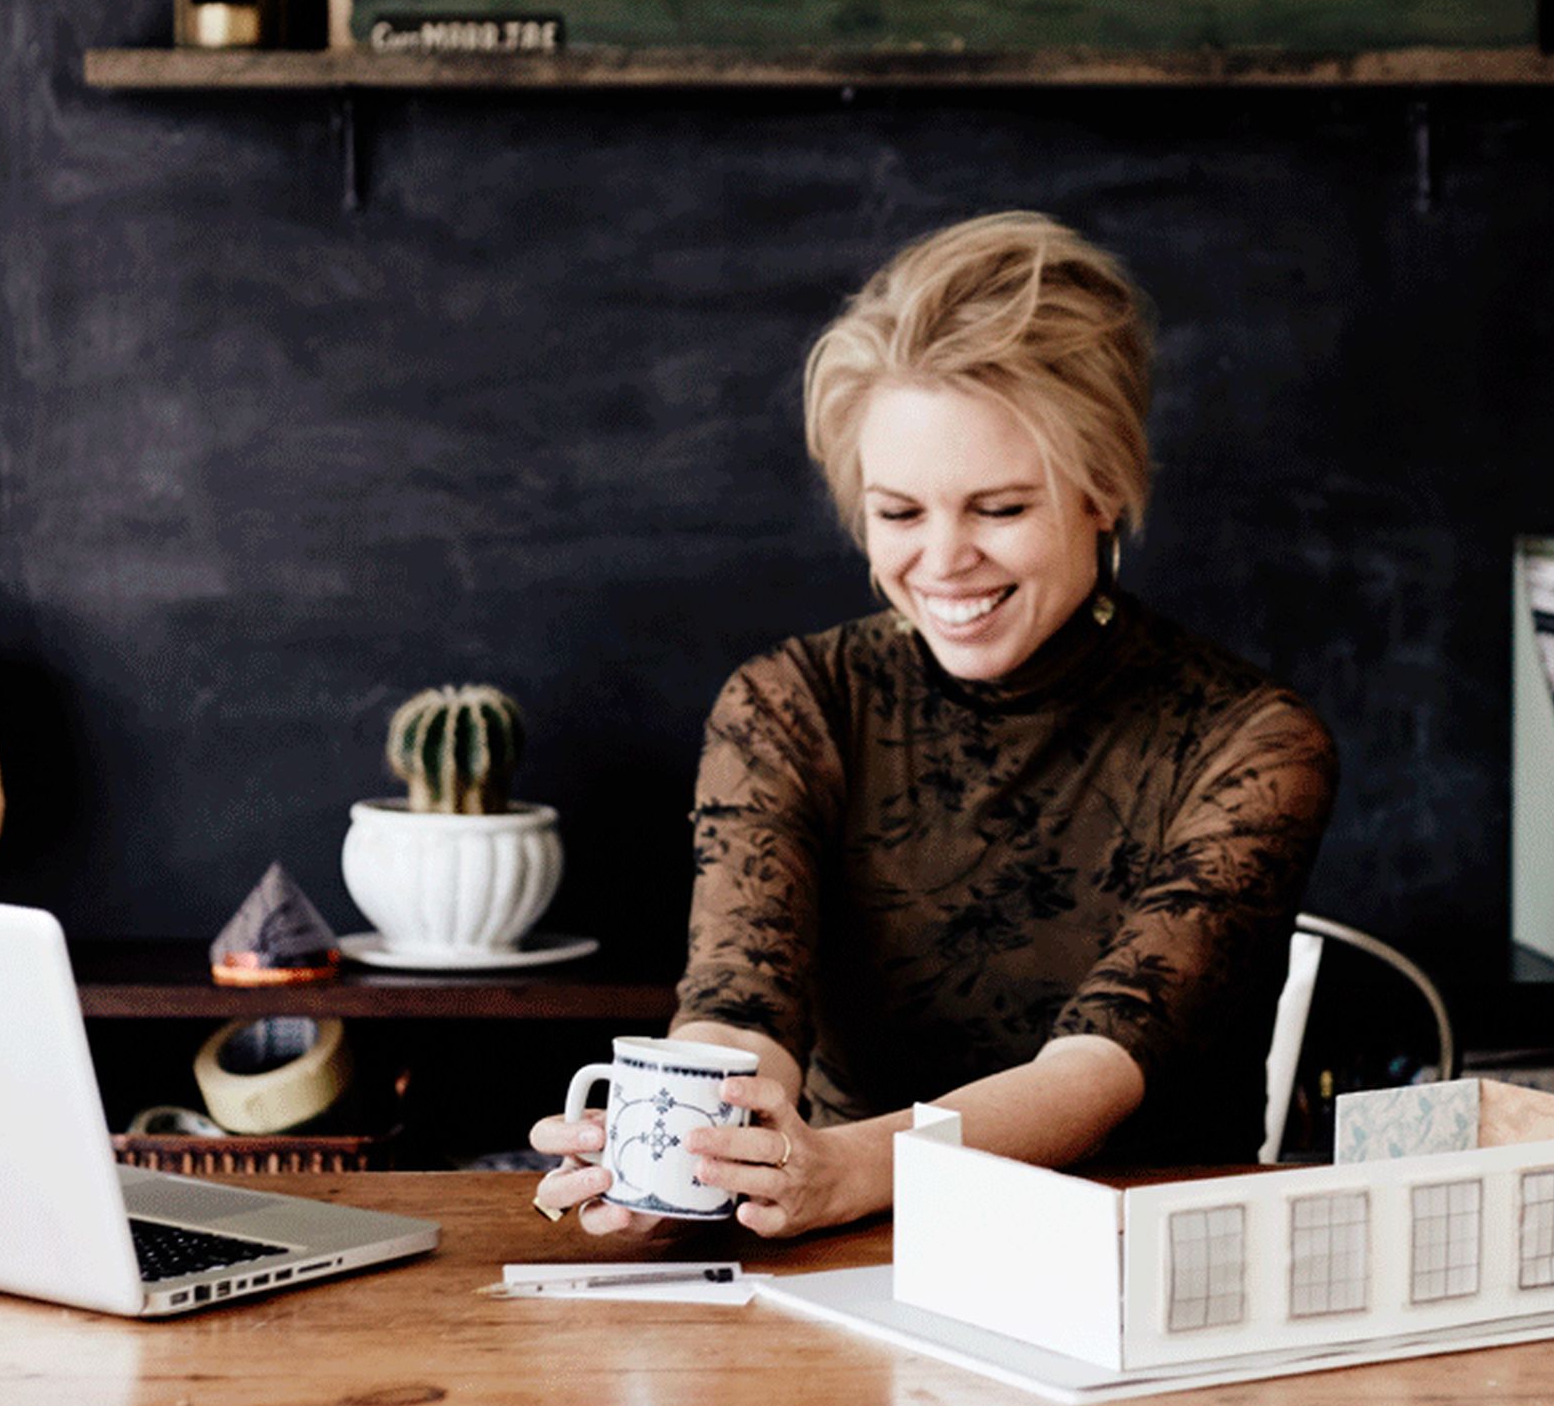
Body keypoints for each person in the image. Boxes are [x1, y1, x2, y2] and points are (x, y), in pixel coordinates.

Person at [530, 211, 1337, 1238]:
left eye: (998, 508)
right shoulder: (793, 701)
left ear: (1102, 491)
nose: (942, 560)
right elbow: (742, 996)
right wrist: (675, 1153)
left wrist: (846, 1167)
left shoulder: (1251, 741)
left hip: (1147, 1264)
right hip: (838, 1254)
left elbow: (1100, 1067)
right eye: (900, 514)